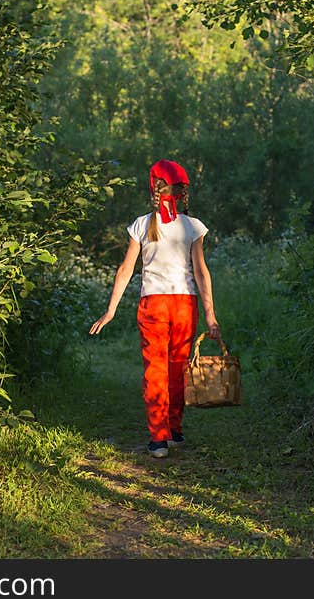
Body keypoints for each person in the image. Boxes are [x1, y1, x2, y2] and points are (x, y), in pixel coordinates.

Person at [89, 159, 219, 458]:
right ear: (183, 190)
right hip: (185, 304)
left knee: (155, 371)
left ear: (154, 189)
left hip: (153, 305)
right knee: (177, 370)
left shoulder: (141, 224)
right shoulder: (193, 226)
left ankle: (158, 438)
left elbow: (125, 270)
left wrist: (111, 311)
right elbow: (201, 272)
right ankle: (174, 431)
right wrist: (210, 315)